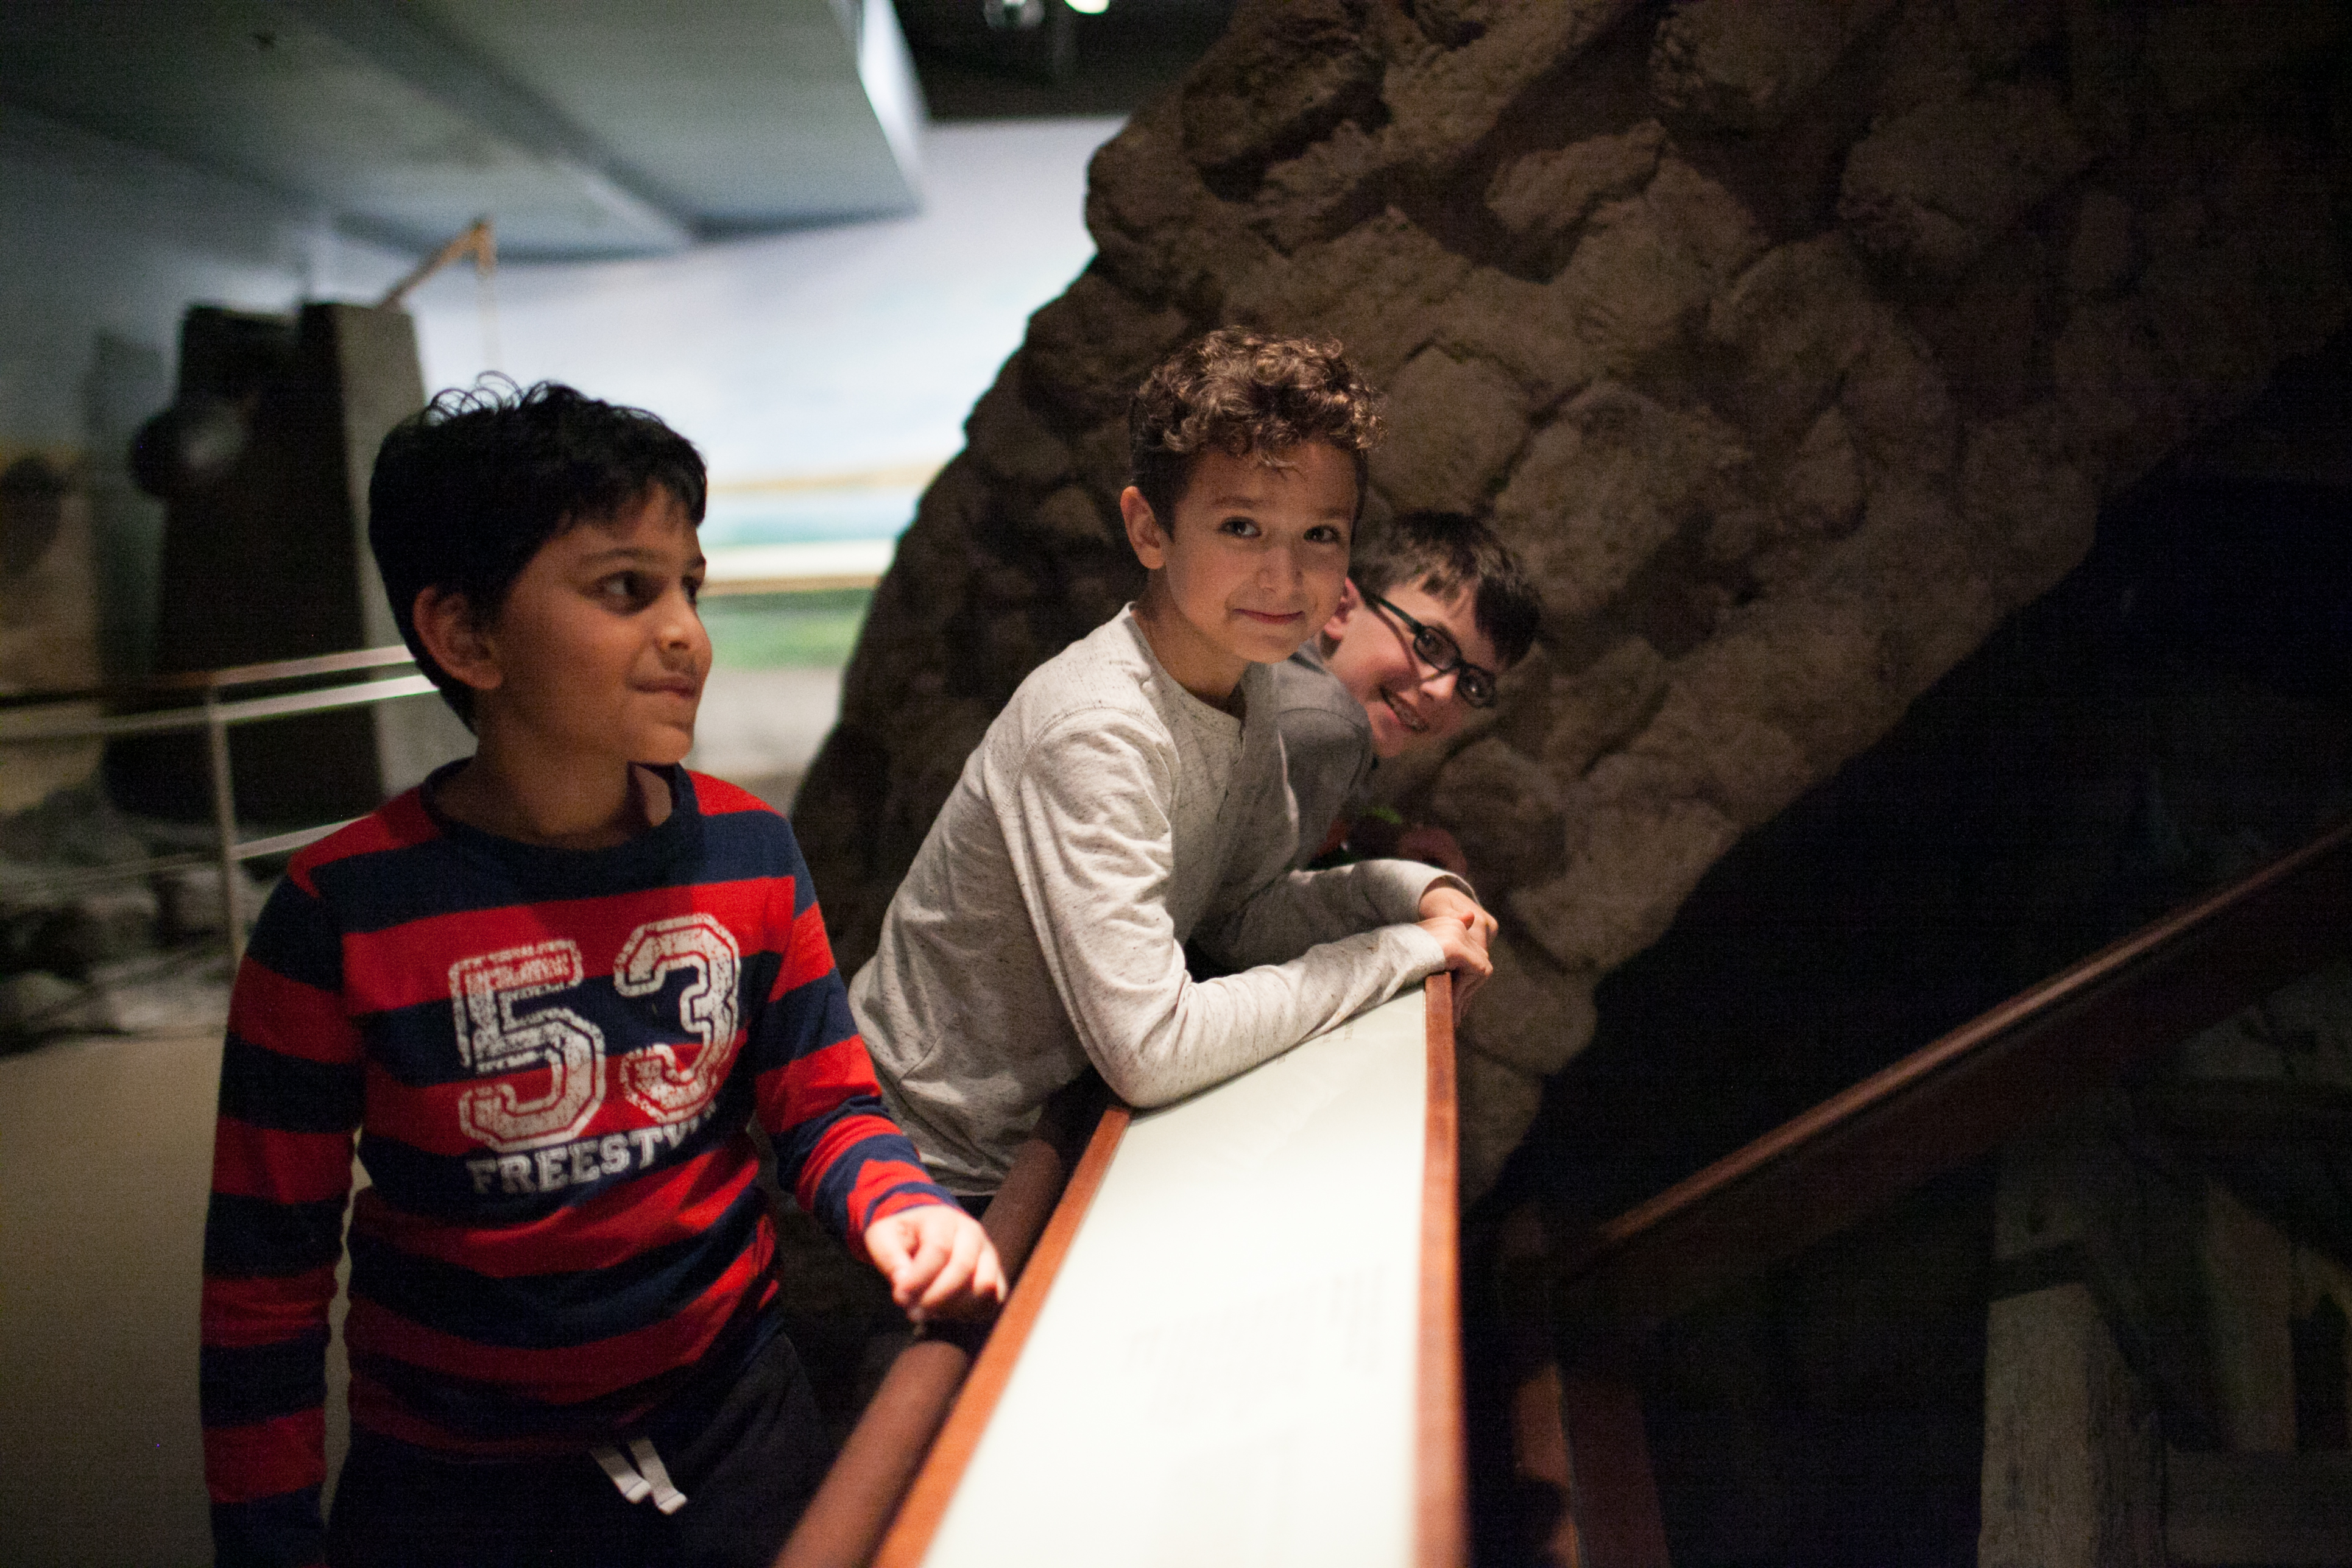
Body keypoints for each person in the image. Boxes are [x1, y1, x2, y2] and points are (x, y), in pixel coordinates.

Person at [198, 381, 1002, 1568]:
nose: (685, 631)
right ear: (467, 636)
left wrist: (901, 1206)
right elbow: (265, 1286)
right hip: (454, 1494)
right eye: (625, 589)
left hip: (735, 1436)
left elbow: (823, 1105)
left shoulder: (749, 853)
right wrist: (266, 1544)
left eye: (690, 585)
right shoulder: (339, 917)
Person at [850, 328, 1500, 1201]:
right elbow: (1151, 1047)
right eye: (1241, 527)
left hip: (1062, 1127)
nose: (1283, 574)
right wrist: (1404, 952)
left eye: (1318, 533)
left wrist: (1408, 892)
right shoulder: (1098, 727)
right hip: (932, 1159)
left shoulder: (1250, 676)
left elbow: (1239, 912)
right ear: (1149, 528)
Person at [1273, 509, 1542, 871]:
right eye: (1431, 643)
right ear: (1340, 608)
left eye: (1472, 683)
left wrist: (1383, 836)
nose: (1445, 692)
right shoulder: (1318, 727)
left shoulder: (1343, 739)